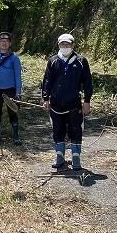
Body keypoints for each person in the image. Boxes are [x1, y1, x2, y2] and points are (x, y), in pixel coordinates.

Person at [42, 33, 93, 170]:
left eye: (68, 44)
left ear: (73, 45)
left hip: (74, 104)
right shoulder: (53, 61)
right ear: (58, 45)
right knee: (57, 130)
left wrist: (87, 101)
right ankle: (60, 157)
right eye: (62, 44)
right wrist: (45, 99)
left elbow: (87, 82)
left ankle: (76, 158)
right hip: (56, 104)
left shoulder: (81, 61)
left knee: (76, 130)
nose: (65, 46)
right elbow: (47, 81)